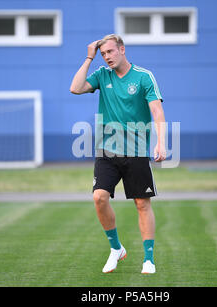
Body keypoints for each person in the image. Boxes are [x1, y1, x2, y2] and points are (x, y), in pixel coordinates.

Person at [70, 34, 166, 274]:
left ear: (122, 49)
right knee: (99, 197)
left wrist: (161, 143)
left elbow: (157, 111)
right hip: (107, 151)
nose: (107, 57)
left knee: (142, 204)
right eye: (103, 54)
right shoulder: (102, 75)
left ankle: (148, 259)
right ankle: (116, 249)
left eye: (110, 52)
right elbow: (75, 88)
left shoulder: (144, 77)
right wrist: (89, 57)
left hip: (136, 152)